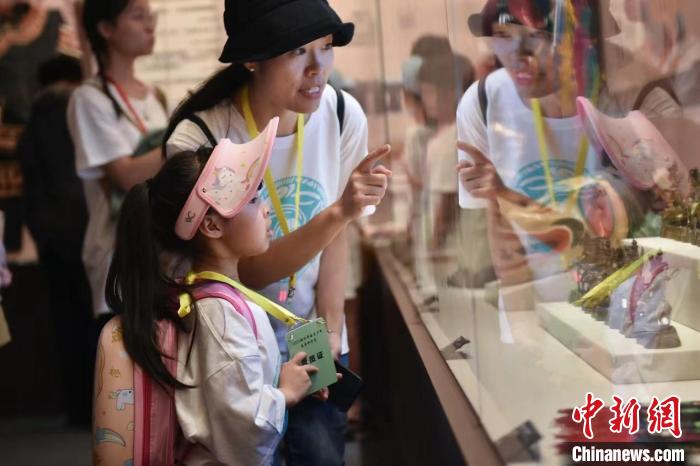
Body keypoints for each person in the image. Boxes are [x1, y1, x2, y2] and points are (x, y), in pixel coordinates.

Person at [164, 1, 391, 464]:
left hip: (312, 337)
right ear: (252, 59)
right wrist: (338, 212)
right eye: (296, 51)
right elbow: (237, 271)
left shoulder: (342, 113)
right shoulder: (201, 137)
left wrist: (330, 330)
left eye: (325, 47)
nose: (317, 68)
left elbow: (339, 237)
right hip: (232, 348)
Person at [102, 136, 325, 465]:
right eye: (252, 200)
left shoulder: (207, 298)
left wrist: (285, 381)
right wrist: (285, 394)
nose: (265, 208)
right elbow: (243, 431)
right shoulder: (220, 314)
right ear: (211, 224)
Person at [67, 0, 166, 324]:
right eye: (138, 16)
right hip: (119, 256)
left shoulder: (155, 95)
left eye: (150, 16)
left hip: (160, 251)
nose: (150, 25)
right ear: (106, 28)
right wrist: (186, 141)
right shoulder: (89, 98)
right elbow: (125, 175)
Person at [16, 53, 93, 426]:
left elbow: (30, 187)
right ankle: (103, 403)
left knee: (64, 322)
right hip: (85, 230)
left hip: (50, 238)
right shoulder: (78, 112)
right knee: (96, 319)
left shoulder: (32, 123)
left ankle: (77, 407)